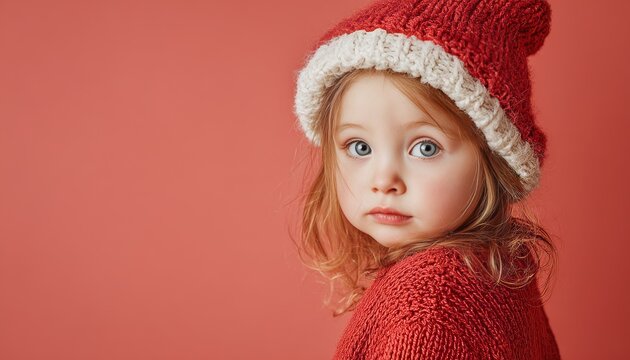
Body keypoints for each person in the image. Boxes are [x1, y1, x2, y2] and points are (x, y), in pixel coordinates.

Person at [291, 0, 561, 358]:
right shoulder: (501, 265)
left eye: (426, 148)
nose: (383, 180)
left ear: (494, 160)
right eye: (358, 146)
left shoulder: (428, 308)